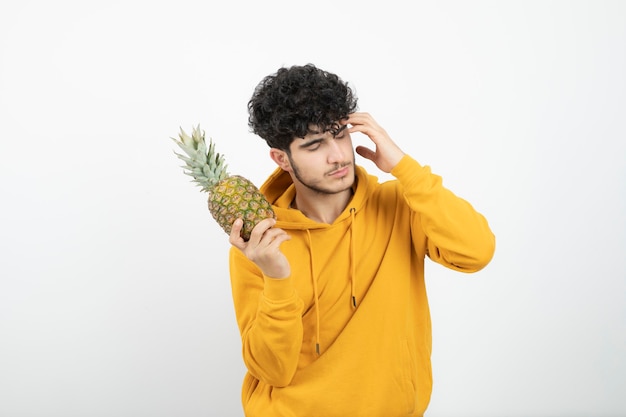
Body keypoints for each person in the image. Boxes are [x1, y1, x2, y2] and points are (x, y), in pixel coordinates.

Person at [227, 63, 495, 417]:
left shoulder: (401, 204)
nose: (338, 155)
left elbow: (476, 252)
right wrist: (277, 279)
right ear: (282, 159)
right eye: (314, 145)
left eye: (340, 134)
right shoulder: (260, 243)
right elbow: (271, 370)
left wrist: (404, 167)